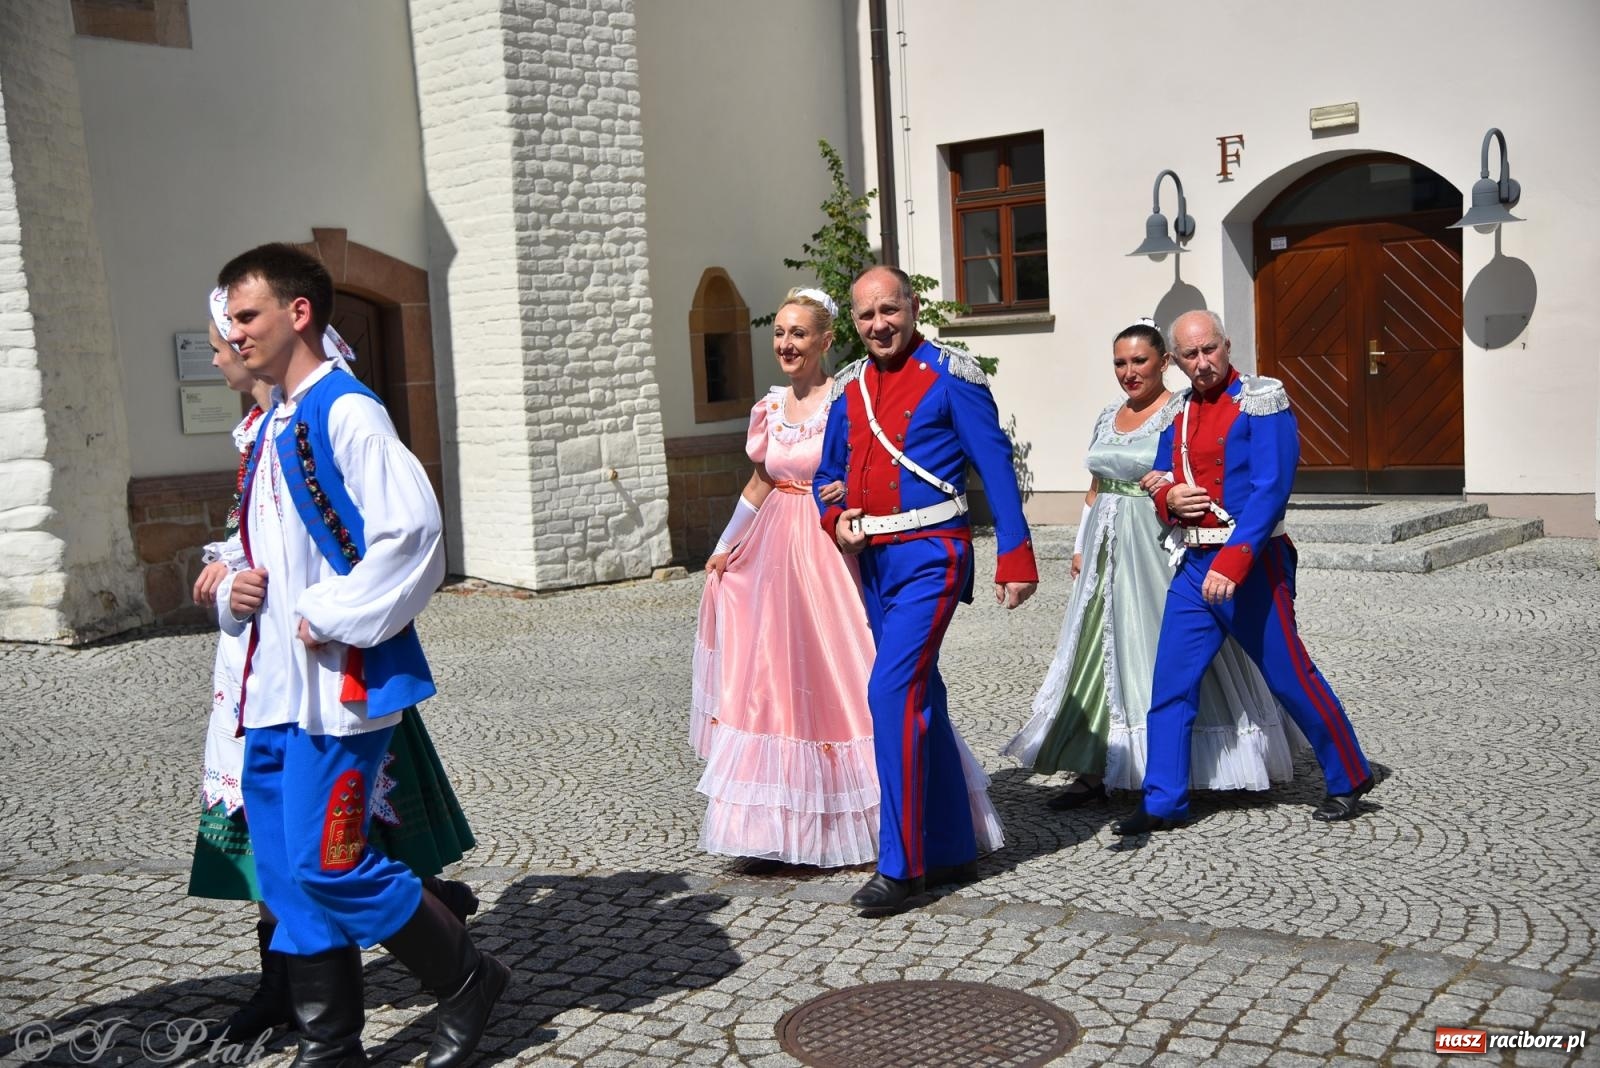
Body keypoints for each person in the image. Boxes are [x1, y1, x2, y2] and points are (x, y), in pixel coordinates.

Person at [214, 243, 506, 1067]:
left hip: (336, 686)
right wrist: (233, 584)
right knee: (285, 873)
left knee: (331, 863)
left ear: (297, 313)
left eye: (246, 316)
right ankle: (329, 1044)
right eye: (231, 320)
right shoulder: (271, 423)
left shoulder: (345, 410)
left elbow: (413, 532)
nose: (233, 333)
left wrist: (332, 611)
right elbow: (269, 546)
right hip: (271, 689)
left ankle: (468, 980)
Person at [691, 287, 1003, 868]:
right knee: (778, 683)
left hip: (833, 549)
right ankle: (782, 826)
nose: (786, 344)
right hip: (776, 556)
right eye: (780, 333)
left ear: (825, 340)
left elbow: (872, 469)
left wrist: (845, 500)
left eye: (799, 334)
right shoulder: (771, 407)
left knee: (861, 673)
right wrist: (725, 545)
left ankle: (890, 818)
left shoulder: (849, 394)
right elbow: (760, 482)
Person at [1003, 320, 1302, 808]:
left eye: (1139, 361)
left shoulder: (1180, 411)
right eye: (1120, 363)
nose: (1128, 372)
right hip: (1106, 545)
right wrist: (1082, 544)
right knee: (1098, 649)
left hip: (1156, 542)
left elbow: (1203, 475)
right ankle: (1097, 762)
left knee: (1160, 653)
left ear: (1166, 362)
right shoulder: (1107, 415)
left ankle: (1181, 766)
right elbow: (1096, 486)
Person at [815, 266, 1038, 914]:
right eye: (866, 316)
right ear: (854, 324)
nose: (879, 325)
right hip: (873, 562)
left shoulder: (950, 374)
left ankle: (901, 864)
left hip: (933, 555)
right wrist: (836, 520)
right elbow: (825, 474)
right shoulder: (849, 388)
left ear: (912, 308)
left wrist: (1017, 555)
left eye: (890, 310)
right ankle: (948, 845)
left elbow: (995, 465)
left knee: (889, 690)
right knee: (921, 695)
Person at [1116, 310, 1375, 835]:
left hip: (1253, 564)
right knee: (1169, 685)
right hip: (1194, 565)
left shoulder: (1261, 399)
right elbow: (1163, 478)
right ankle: (1163, 800)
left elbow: (1271, 489)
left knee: (1289, 675)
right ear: (1177, 360)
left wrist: (1235, 562)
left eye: (1209, 350)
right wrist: (1169, 497)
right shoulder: (1180, 412)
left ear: (1226, 345)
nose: (1202, 362)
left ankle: (1349, 774)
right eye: (1190, 355)